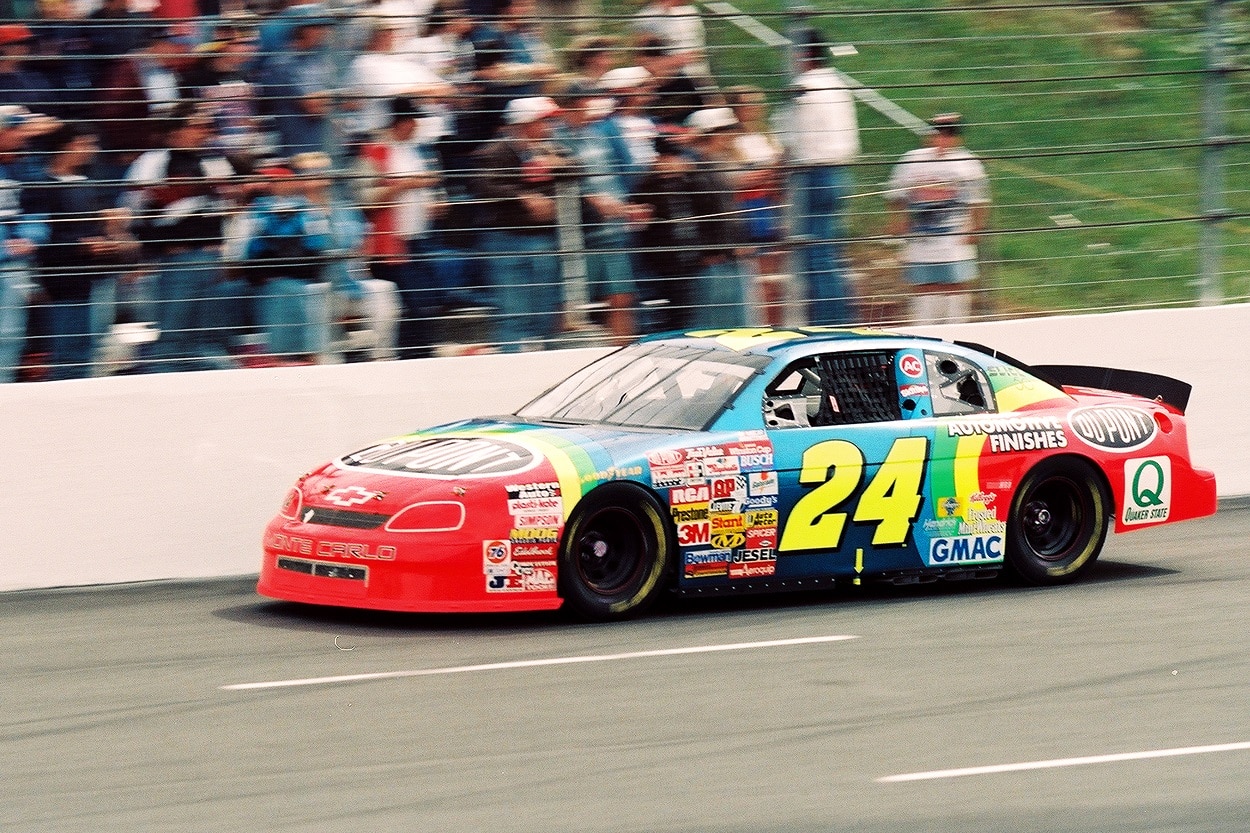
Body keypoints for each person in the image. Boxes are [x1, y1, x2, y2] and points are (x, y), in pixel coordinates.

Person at [122, 102, 246, 371]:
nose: (205, 132)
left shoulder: (215, 160)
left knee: (208, 337)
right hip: (177, 261)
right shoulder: (153, 161)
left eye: (207, 126)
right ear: (175, 130)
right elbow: (134, 208)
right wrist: (148, 252)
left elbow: (231, 206)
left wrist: (226, 249)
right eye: (197, 126)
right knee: (173, 337)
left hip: (211, 260)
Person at [26, 124, 139, 380]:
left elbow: (104, 223)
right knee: (68, 348)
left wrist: (114, 227)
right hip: (64, 280)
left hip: (97, 275)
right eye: (85, 144)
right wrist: (80, 244)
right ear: (66, 146)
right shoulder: (41, 186)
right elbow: (39, 234)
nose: (91, 151)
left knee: (92, 346)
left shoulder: (90, 184)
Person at [467, 95, 570, 352]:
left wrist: (560, 166)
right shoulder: (494, 152)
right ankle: (511, 364)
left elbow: (578, 170)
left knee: (545, 313)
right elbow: (481, 185)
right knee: (513, 313)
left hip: (543, 240)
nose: (549, 128)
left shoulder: (551, 150)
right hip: (506, 241)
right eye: (543, 122)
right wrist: (522, 196)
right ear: (526, 123)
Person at [777, 26, 859, 326]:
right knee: (829, 248)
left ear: (802, 54)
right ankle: (840, 313)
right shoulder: (837, 84)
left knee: (815, 250)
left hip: (814, 174)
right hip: (839, 171)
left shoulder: (805, 87)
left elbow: (792, 140)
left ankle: (828, 320)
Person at [556, 81, 649, 345]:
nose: (589, 108)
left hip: (613, 232)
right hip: (579, 236)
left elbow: (614, 177)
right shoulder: (556, 137)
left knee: (622, 298)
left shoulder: (598, 134)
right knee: (571, 305)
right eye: (583, 103)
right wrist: (596, 202)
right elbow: (566, 182)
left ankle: (621, 356)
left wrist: (628, 208)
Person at [354, 95, 445, 356]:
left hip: (417, 239)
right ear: (402, 122)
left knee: (423, 303)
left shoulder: (415, 150)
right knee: (412, 304)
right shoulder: (374, 152)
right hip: (391, 245)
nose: (417, 126)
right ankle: (417, 356)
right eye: (414, 120)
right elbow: (365, 199)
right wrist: (404, 185)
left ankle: (415, 355)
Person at [291, 150, 400, 362]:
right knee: (317, 294)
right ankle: (325, 360)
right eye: (309, 173)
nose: (316, 177)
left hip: (352, 283)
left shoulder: (343, 208)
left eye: (320, 172)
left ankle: (382, 357)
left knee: (385, 289)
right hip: (315, 284)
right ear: (300, 178)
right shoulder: (296, 210)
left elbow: (362, 242)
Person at [886, 112, 991, 325]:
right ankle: (925, 330)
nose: (943, 139)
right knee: (924, 287)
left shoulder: (968, 164)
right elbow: (896, 195)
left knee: (955, 286)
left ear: (957, 137)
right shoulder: (912, 160)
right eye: (938, 133)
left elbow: (980, 200)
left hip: (954, 242)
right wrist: (898, 220)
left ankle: (956, 332)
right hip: (921, 241)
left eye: (949, 134)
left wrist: (976, 228)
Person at [241, 162, 333, 364]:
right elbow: (247, 251)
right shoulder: (257, 209)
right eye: (267, 181)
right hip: (263, 278)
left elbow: (318, 246)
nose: (269, 185)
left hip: (298, 277)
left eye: (275, 181)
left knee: (294, 289)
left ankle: (303, 355)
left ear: (291, 183)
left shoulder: (307, 209)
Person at [684, 106, 749, 329]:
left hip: (728, 256)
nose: (730, 137)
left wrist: (738, 244)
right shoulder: (693, 172)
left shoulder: (716, 167)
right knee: (712, 329)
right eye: (724, 132)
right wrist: (708, 251)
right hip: (712, 261)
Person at [0, 106, 51, 383]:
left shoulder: (23, 165)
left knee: (9, 334)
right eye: (15, 129)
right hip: (6, 257)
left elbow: (35, 208)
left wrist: (32, 236)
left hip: (13, 266)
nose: (21, 136)